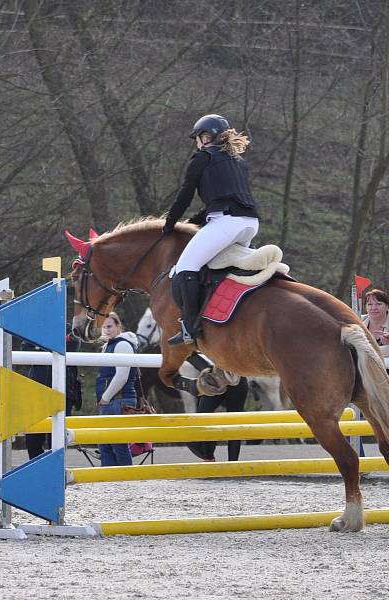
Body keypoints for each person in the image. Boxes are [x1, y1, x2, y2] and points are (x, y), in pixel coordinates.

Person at [162, 114, 260, 345]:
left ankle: (188, 327)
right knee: (219, 269)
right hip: (250, 224)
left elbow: (185, 195)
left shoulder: (202, 157)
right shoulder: (238, 161)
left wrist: (170, 223)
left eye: (198, 138)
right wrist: (194, 220)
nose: (197, 143)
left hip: (226, 223)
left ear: (205, 137)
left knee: (186, 266)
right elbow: (223, 199)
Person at [23, 329, 83, 460]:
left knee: (56, 441)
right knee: (32, 440)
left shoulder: (69, 329)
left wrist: (42, 344)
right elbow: (26, 348)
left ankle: (55, 469)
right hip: (36, 392)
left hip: (62, 393)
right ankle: (37, 470)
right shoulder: (34, 330)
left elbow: (72, 345)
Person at [95, 312, 141, 466]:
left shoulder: (122, 344)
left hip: (119, 400)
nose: (106, 330)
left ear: (118, 326)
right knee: (105, 444)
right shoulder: (108, 345)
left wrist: (105, 398)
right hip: (111, 400)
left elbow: (122, 376)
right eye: (103, 327)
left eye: (109, 326)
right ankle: (109, 481)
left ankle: (126, 482)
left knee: (118, 445)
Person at [360, 289, 389, 389]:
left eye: (378, 304)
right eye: (369, 304)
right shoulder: (359, 320)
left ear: (387, 306)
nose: (373, 308)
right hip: (367, 382)